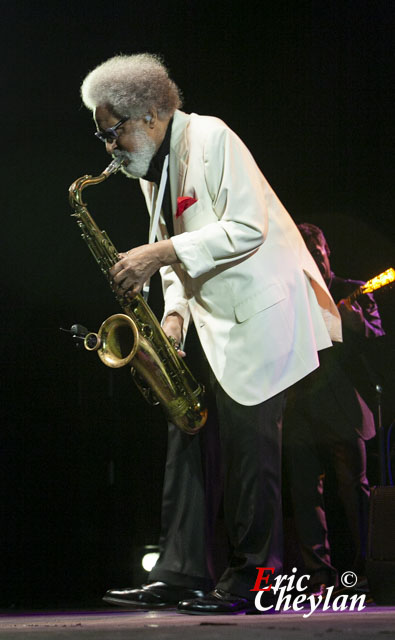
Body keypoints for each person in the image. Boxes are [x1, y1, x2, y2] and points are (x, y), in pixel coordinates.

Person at [79, 53, 341, 615]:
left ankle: (254, 581)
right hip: (212, 320)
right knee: (187, 436)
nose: (108, 148)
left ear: (149, 113)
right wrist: (172, 314)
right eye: (102, 135)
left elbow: (246, 227)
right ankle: (179, 572)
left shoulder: (213, 136)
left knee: (253, 452)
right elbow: (174, 256)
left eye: (112, 132)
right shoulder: (153, 167)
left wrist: (159, 253)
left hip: (262, 315)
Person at [283, 222, 384, 596]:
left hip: (345, 409)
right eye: (304, 252)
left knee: (354, 492)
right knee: (305, 495)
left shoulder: (352, 292)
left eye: (317, 251)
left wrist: (356, 324)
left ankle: (364, 572)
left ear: (328, 253)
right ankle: (317, 578)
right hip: (299, 406)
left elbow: (379, 344)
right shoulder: (290, 295)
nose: (312, 257)